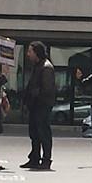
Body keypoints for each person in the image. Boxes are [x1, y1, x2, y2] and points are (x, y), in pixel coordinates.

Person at [21, 41, 56, 170]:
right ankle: (34, 157)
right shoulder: (37, 66)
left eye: (30, 51)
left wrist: (34, 97)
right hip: (35, 105)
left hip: (42, 105)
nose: (28, 54)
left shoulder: (46, 67)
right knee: (34, 133)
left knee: (43, 132)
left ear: (37, 52)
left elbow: (46, 89)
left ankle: (46, 159)